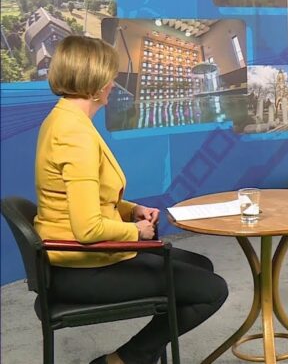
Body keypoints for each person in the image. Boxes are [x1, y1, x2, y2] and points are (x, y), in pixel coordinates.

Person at [33, 36, 228, 364]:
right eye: (110, 76)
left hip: (75, 258)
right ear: (96, 83)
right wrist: (136, 232)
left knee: (200, 266)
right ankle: (123, 360)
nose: (113, 84)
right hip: (81, 267)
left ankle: (140, 354)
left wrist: (132, 209)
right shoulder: (74, 135)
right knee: (213, 290)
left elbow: (87, 196)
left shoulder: (63, 119)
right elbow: (87, 229)